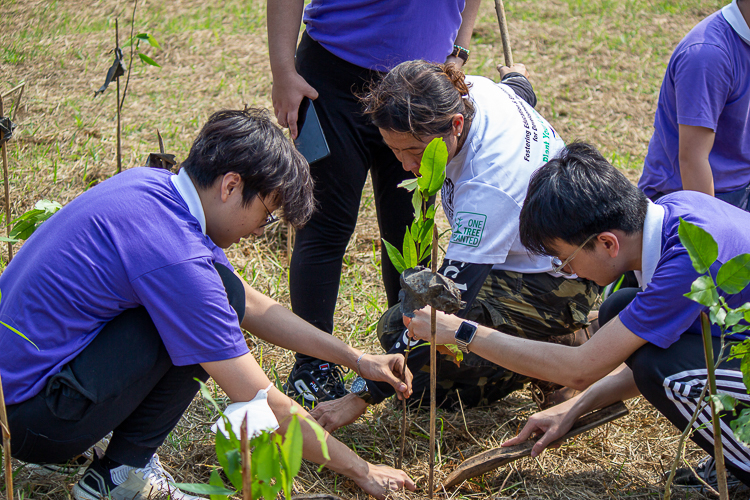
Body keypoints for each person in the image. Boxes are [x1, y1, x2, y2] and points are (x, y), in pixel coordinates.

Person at [1, 109, 416, 500]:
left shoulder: (151, 188)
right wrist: (362, 470)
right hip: (31, 422)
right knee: (201, 315)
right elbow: (262, 401)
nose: (259, 230)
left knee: (223, 296)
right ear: (231, 185)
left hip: (17, 392)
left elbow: (250, 303)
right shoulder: (176, 257)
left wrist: (357, 359)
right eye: (267, 214)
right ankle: (119, 477)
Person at [407, 142, 750, 488]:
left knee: (647, 356)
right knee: (620, 308)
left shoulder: (687, 263)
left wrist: (463, 332)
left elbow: (582, 369)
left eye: (565, 261)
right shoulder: (676, 212)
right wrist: (574, 407)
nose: (567, 273)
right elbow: (661, 360)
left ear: (607, 243)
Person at [310, 60, 599, 433]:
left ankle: (557, 347)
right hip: (517, 258)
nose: (406, 164)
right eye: (394, 150)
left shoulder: (488, 185)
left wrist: (358, 396)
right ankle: (555, 338)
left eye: (415, 150)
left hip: (554, 280)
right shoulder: (470, 91)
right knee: (406, 326)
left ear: (456, 125)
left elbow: (441, 312)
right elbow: (516, 92)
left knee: (422, 361)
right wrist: (518, 78)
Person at [267, 0, 482, 407]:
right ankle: (313, 365)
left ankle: (406, 360)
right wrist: (283, 70)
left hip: (424, 92)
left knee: (409, 232)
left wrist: (459, 50)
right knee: (324, 224)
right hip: (329, 80)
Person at [638, 0, 750, 209]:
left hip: (741, 185)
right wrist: (712, 235)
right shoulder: (708, 56)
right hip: (693, 199)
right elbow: (692, 160)